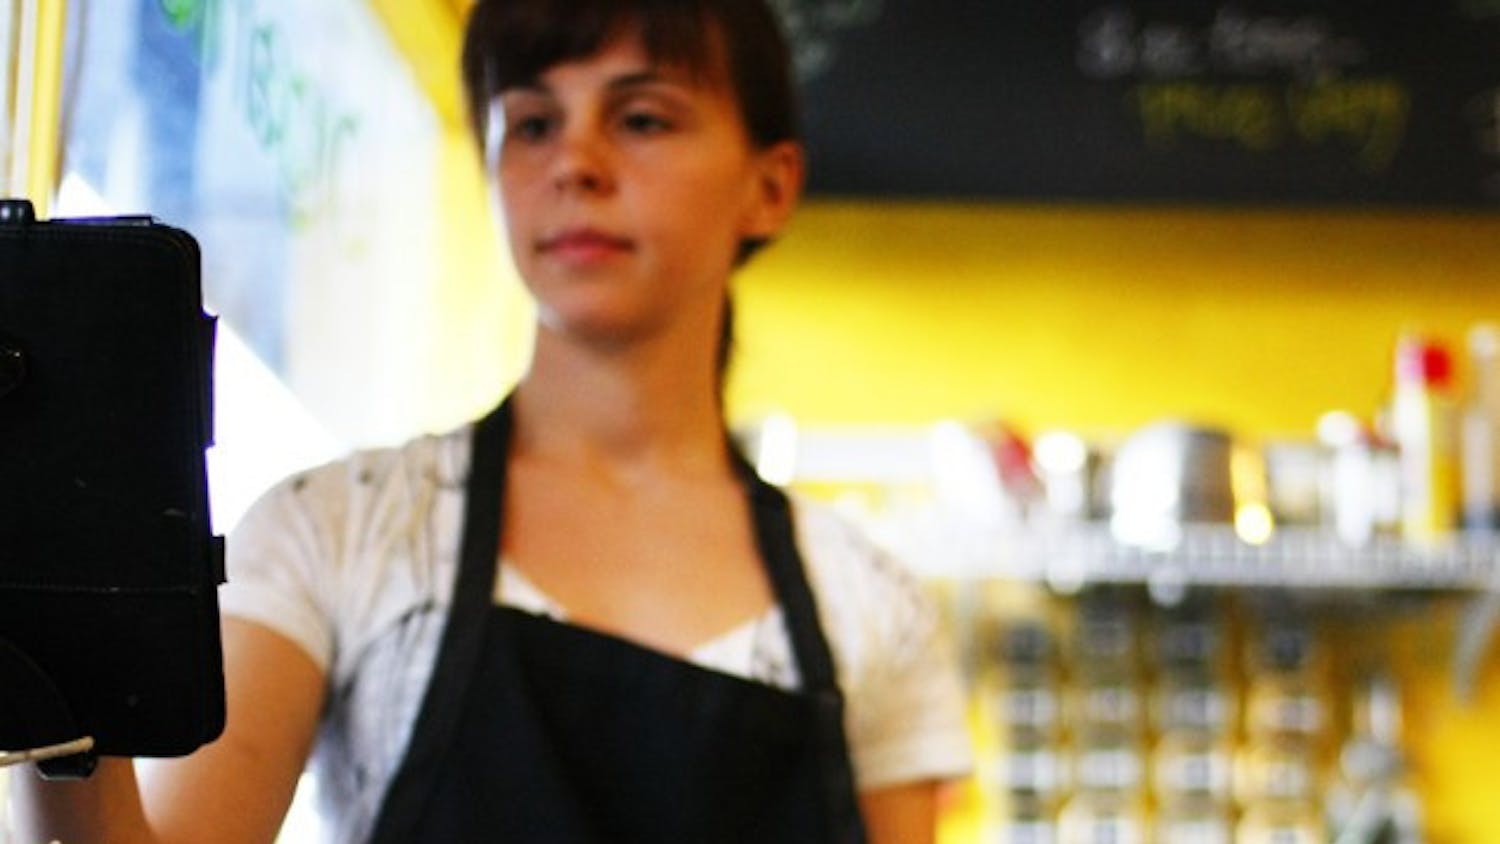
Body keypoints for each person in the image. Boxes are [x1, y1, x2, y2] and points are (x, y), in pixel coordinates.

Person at [12, 0, 973, 841]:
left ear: (770, 184)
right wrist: (62, 597)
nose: (576, 163)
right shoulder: (338, 529)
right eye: (532, 122)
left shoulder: (871, 607)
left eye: (641, 118)